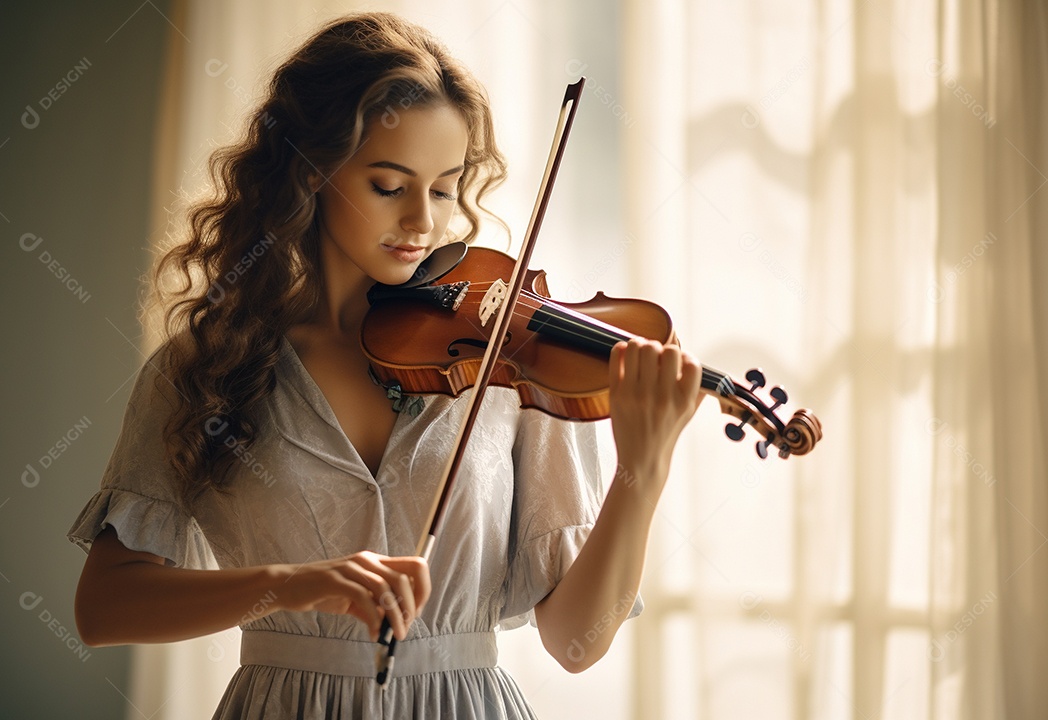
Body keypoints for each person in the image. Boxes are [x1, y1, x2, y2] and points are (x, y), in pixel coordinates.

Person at [69, 11, 703, 719]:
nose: (422, 223)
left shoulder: (506, 359)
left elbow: (578, 643)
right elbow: (106, 608)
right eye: (388, 185)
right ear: (312, 170)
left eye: (442, 188)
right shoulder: (209, 363)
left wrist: (640, 473)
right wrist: (297, 583)